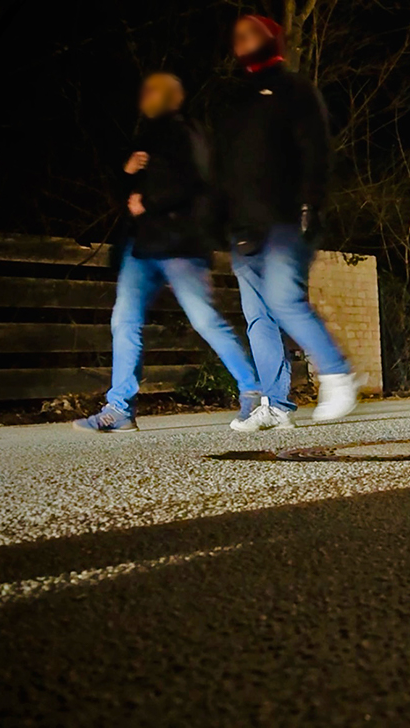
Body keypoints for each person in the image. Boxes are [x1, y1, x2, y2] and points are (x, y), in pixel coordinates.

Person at [74, 73, 262, 433]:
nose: (145, 95)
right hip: (142, 245)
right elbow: (132, 189)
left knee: (204, 320)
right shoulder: (148, 136)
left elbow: (199, 184)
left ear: (173, 96)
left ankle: (252, 389)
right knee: (124, 321)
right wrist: (127, 172)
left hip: (180, 244)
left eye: (153, 90)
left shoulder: (187, 132)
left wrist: (151, 201)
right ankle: (120, 407)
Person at [214, 15, 358, 430]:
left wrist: (310, 206)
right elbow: (226, 169)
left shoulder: (295, 90)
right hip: (244, 229)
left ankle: (337, 373)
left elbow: (316, 152)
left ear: (272, 37)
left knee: (283, 298)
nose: (244, 40)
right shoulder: (236, 102)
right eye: (238, 35)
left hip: (285, 219)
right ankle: (276, 404)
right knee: (258, 319)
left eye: (253, 32)